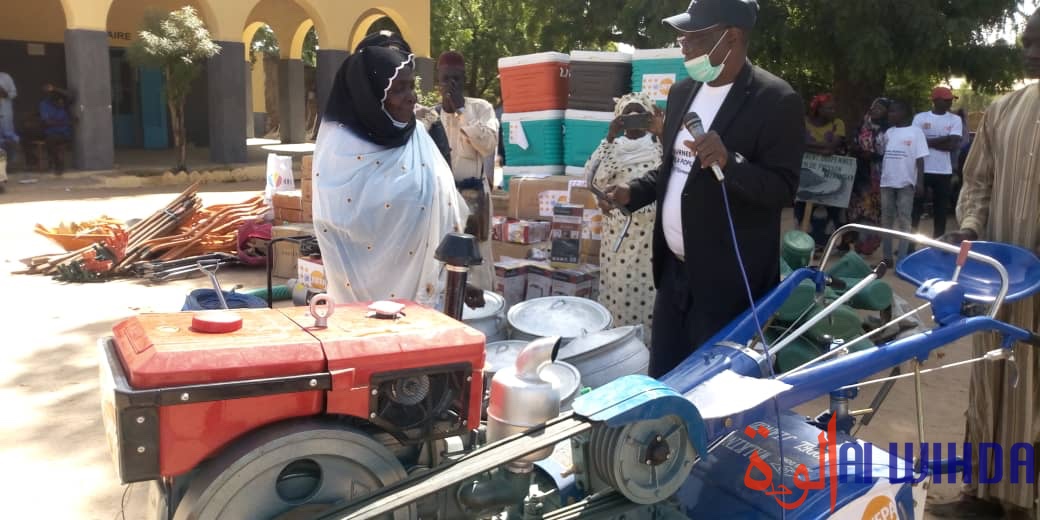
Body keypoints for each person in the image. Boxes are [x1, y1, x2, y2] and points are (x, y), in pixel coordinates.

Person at [602, 0, 805, 378]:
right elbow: (674, 170)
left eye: (695, 36)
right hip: (674, 275)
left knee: (716, 398)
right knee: (665, 381)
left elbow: (783, 189)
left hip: (728, 284)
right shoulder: (683, 92)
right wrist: (633, 192)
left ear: (732, 37)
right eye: (682, 35)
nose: (683, 44)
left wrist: (732, 163)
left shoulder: (776, 101)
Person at [928, 11, 1040, 519]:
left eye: (1039, 40)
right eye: (1027, 39)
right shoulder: (1003, 108)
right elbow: (978, 183)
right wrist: (971, 228)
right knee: (993, 376)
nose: (1029, 48)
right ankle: (984, 495)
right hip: (1003, 278)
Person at [312, 32, 480, 310]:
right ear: (370, 93)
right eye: (398, 88)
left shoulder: (418, 136)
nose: (411, 98)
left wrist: (459, 278)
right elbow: (336, 224)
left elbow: (447, 205)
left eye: (411, 86)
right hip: (358, 300)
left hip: (428, 296)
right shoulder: (339, 149)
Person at [588, 92, 663, 342]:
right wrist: (610, 137)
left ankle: (649, 355)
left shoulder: (658, 147)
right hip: (618, 239)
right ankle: (618, 349)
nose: (632, 120)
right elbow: (593, 178)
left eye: (638, 114)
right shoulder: (613, 148)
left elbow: (670, 174)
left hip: (652, 239)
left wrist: (661, 130)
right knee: (619, 297)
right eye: (626, 115)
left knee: (651, 297)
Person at [431, 51, 500, 292]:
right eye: (446, 79)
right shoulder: (431, 116)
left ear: (464, 79)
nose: (451, 85)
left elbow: (488, 145)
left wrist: (462, 112)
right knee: (442, 258)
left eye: (457, 79)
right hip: (442, 200)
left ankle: (483, 310)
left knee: (476, 262)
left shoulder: (481, 109)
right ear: (438, 81)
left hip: (473, 200)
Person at [877, 99, 928, 265]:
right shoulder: (889, 132)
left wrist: (920, 182)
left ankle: (902, 258)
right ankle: (886, 258)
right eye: (889, 111)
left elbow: (920, 159)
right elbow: (883, 152)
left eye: (893, 111)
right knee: (886, 219)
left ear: (904, 114)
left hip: (906, 183)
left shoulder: (916, 132)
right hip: (887, 181)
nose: (890, 114)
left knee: (904, 219)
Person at [795, 92, 847, 248]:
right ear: (818, 109)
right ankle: (803, 244)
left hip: (831, 175)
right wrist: (821, 150)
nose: (833, 112)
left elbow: (833, 146)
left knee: (830, 209)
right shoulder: (803, 122)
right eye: (828, 108)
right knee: (803, 208)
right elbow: (798, 142)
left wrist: (810, 148)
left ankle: (823, 245)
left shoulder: (838, 123)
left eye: (833, 108)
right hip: (806, 173)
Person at [911, 86, 962, 238]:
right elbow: (915, 142)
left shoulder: (955, 119)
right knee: (915, 209)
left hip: (943, 171)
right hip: (921, 170)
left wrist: (926, 142)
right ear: (935, 100)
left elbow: (953, 145)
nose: (950, 102)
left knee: (941, 211)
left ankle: (938, 242)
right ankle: (910, 244)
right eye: (946, 100)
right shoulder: (920, 118)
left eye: (951, 99)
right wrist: (944, 138)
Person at [846, 97, 892, 255]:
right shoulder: (861, 125)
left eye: (881, 108)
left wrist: (872, 156)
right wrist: (859, 151)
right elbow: (851, 143)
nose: (876, 110)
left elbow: (890, 152)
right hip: (859, 173)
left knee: (873, 210)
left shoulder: (889, 129)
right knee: (858, 208)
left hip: (879, 173)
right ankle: (858, 242)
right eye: (874, 106)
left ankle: (867, 244)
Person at [39, 84, 73, 174]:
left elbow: (71, 95)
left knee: (52, 140)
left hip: (64, 133)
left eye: (62, 102)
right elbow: (47, 122)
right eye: (58, 103)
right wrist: (67, 123)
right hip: (50, 133)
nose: (61, 104)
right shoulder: (44, 105)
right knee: (50, 140)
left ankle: (58, 165)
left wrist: (54, 88)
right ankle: (58, 164)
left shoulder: (64, 102)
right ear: (52, 101)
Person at [0, 72, 18, 171]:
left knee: (9, 139)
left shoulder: (5, 77)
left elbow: (14, 94)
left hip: (5, 114)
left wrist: (4, 93)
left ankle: (9, 165)